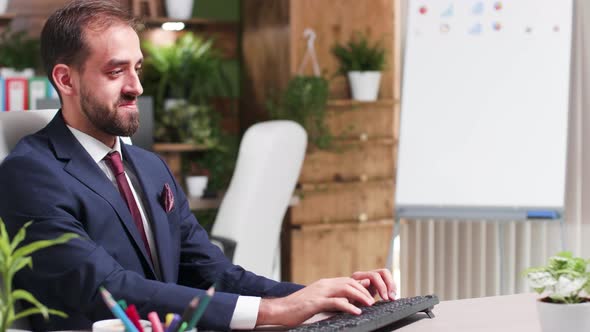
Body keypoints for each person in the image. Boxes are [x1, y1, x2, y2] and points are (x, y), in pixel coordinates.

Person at [0, 1, 396, 331]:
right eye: (115, 71)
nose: (136, 86)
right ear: (65, 80)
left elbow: (214, 274)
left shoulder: (150, 167)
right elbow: (109, 288)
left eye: (137, 69)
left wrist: (322, 297)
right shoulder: (30, 174)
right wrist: (276, 312)